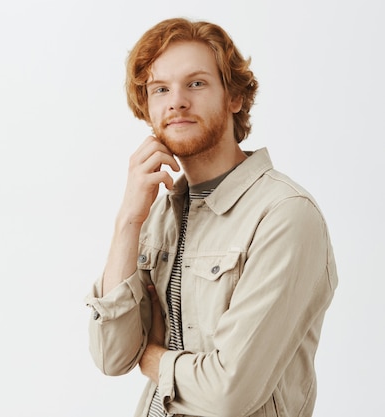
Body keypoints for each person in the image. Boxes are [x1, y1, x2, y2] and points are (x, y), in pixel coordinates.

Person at [84, 17, 338, 417]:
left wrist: (150, 356)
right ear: (147, 108)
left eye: (196, 83)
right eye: (160, 89)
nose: (177, 101)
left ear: (234, 97)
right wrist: (128, 220)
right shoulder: (157, 215)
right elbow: (111, 355)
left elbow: (228, 393)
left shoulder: (284, 215)